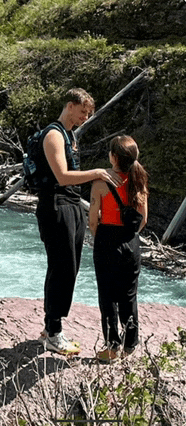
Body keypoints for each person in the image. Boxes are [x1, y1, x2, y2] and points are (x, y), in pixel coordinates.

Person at [36, 88, 122, 355]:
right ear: (70, 106)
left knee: (69, 267)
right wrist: (97, 173)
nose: (86, 117)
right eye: (83, 111)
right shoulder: (53, 134)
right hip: (56, 206)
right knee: (62, 266)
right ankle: (53, 332)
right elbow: (62, 176)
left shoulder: (69, 134)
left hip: (70, 205)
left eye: (88, 113)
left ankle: (51, 326)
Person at [89, 135, 148, 361]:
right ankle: (130, 345)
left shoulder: (101, 183)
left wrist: (101, 237)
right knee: (129, 295)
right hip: (131, 243)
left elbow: (93, 220)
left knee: (107, 296)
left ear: (113, 157)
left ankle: (112, 347)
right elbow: (143, 220)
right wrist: (128, 238)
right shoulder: (139, 180)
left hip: (107, 240)